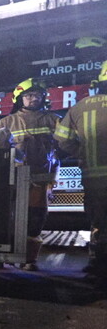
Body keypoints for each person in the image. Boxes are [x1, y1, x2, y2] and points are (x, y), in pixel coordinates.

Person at [0, 78, 60, 270]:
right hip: (13, 180)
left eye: (38, 95)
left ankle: (27, 259)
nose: (34, 98)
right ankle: (0, 257)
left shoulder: (54, 119)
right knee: (7, 218)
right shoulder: (6, 122)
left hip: (41, 178)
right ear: (20, 98)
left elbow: (66, 144)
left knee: (35, 219)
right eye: (29, 95)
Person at [55, 63, 107, 277]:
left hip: (93, 177)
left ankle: (99, 264)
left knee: (98, 221)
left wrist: (81, 153)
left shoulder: (80, 106)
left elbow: (62, 139)